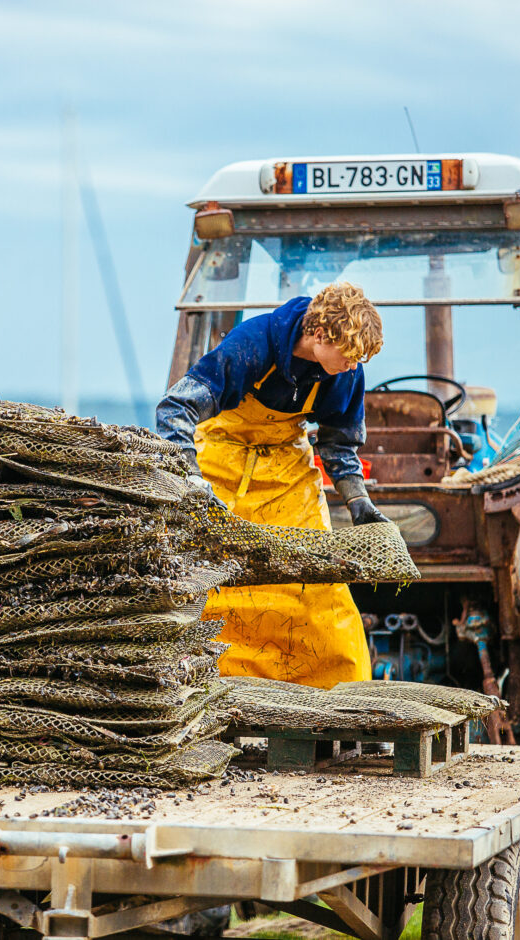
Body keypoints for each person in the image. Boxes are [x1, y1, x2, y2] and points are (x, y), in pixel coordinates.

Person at [155, 282, 386, 688]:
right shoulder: (251, 344)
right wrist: (192, 486)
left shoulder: (346, 375)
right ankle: (211, 692)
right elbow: (175, 409)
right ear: (318, 335)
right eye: (349, 357)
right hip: (220, 469)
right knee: (213, 588)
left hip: (286, 472)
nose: (354, 366)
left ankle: (341, 699)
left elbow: (338, 445)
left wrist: (359, 502)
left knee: (321, 591)